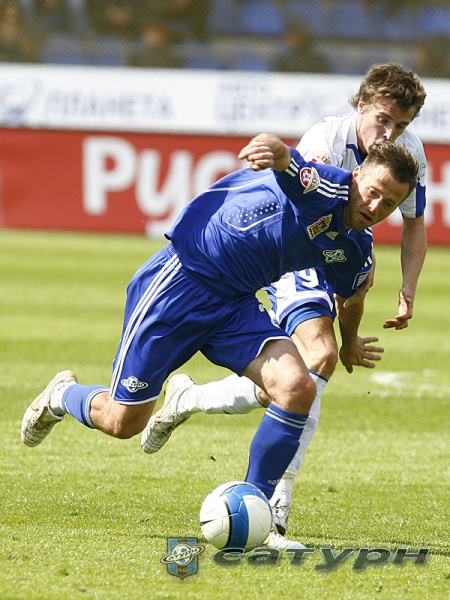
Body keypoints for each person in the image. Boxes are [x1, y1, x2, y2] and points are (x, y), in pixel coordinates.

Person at [21, 133, 418, 550]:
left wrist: (350, 340)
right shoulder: (325, 187)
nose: (375, 207)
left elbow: (352, 296)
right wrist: (268, 146)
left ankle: (258, 512)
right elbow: (285, 157)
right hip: (180, 283)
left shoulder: (355, 248)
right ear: (357, 176)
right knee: (123, 422)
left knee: (297, 387)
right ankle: (62, 395)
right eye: (373, 192)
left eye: (389, 204)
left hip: (235, 304)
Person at [141, 63, 428, 540]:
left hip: (339, 251)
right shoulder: (325, 139)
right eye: (383, 119)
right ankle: (274, 506)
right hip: (296, 255)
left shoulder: (408, 154)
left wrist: (406, 287)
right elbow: (304, 207)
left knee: (292, 384)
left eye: (401, 125)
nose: (390, 133)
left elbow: (414, 224)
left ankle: (192, 398)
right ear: (362, 105)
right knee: (321, 355)